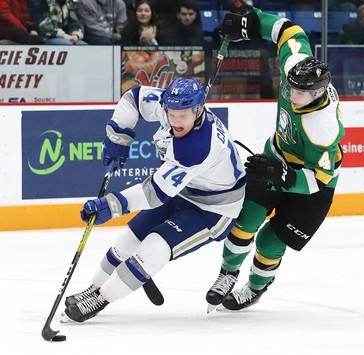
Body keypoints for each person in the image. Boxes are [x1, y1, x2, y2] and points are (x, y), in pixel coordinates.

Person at [61, 77, 247, 323]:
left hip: (215, 209)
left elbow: (154, 193)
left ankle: (102, 298)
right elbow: (134, 98)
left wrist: (112, 205)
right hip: (183, 191)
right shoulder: (171, 105)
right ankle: (94, 287)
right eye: (172, 113)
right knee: (129, 238)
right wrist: (119, 134)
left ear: (199, 110)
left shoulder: (198, 146)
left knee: (154, 247)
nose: (176, 121)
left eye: (183, 115)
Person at [205, 7, 345, 312]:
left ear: (319, 93)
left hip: (309, 186)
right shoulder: (297, 67)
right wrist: (250, 21)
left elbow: (319, 180)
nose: (292, 94)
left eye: (301, 93)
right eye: (291, 86)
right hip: (277, 156)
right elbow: (288, 30)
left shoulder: (323, 129)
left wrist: (282, 176)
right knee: (244, 222)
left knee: (269, 241)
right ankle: (227, 273)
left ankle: (256, 287)